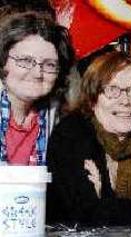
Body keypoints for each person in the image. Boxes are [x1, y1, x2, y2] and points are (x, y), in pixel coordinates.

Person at [46, 51, 131, 226]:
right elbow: (83, 212)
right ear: (93, 99)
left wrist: (105, 203)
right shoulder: (71, 134)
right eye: (112, 90)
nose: (125, 101)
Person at [0, 11, 73, 165]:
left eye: (49, 64)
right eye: (26, 60)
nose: (37, 73)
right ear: (3, 60)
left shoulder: (56, 118)